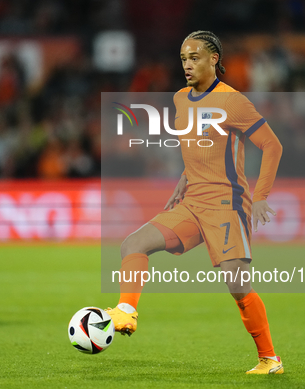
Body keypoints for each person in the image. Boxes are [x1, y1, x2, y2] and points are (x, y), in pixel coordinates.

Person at [106, 31, 284, 374]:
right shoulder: (180, 99)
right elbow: (198, 147)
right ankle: (126, 312)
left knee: (237, 284)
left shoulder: (233, 102)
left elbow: (272, 146)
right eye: (184, 58)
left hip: (226, 204)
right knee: (133, 244)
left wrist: (260, 197)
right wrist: (182, 181)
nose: (187, 65)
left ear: (213, 59)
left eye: (195, 57)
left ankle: (269, 358)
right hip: (192, 202)